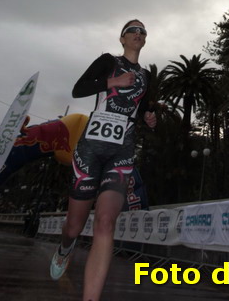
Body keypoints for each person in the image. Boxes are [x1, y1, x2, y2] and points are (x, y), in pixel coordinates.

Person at [49, 19, 156, 301]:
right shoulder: (108, 61)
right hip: (91, 149)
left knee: (106, 222)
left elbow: (142, 107)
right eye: (133, 30)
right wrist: (113, 82)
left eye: (142, 31)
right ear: (122, 38)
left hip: (122, 151)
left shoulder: (146, 76)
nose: (138, 33)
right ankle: (65, 246)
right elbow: (78, 89)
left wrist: (148, 117)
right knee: (74, 226)